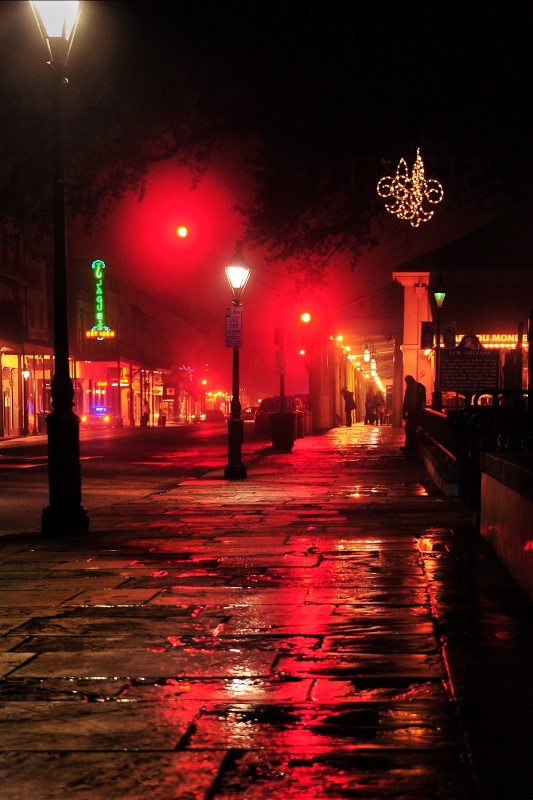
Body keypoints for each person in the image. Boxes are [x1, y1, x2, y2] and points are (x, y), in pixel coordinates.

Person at [401, 375, 426, 451]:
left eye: (407, 381)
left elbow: (407, 400)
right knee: (410, 428)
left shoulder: (417, 387)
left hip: (415, 411)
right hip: (412, 410)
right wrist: (404, 411)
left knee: (410, 428)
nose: (407, 383)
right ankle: (409, 444)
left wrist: (404, 411)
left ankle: (410, 444)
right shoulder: (413, 387)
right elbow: (406, 400)